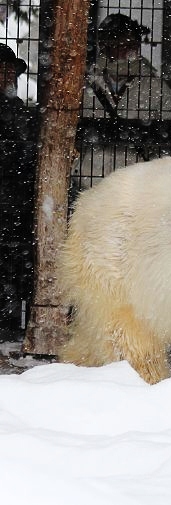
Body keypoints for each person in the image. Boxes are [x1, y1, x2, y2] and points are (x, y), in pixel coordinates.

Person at [75, 13, 171, 190]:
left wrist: (155, 179)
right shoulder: (82, 85)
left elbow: (169, 143)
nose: (127, 49)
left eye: (132, 43)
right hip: (89, 184)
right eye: (120, 43)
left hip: (137, 188)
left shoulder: (157, 87)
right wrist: (77, 168)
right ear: (106, 45)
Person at [0, 43, 36, 330]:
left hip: (15, 201)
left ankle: (10, 324)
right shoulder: (14, 111)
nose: (9, 77)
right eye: (4, 71)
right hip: (12, 198)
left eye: (11, 71)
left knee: (14, 267)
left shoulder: (18, 109)